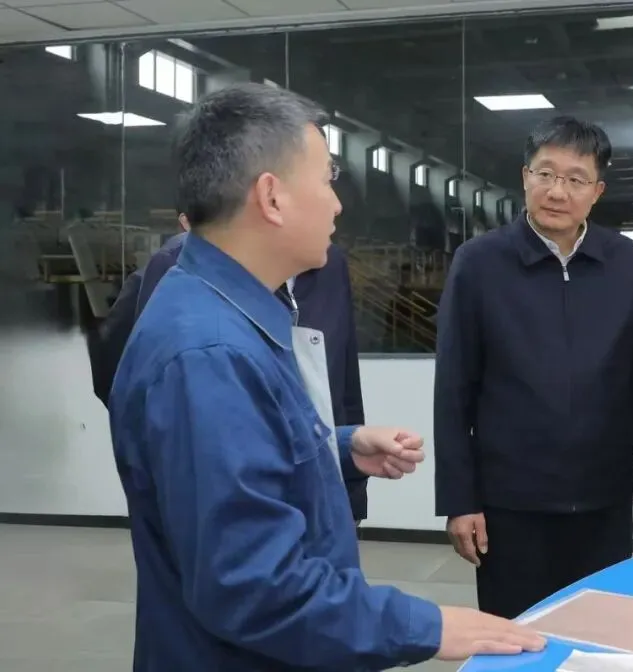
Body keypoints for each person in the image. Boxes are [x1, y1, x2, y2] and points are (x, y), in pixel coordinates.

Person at [108, 83, 543, 670]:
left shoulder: (225, 311)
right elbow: (253, 587)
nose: (338, 205)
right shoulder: (209, 354)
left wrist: (335, 446)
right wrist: (428, 625)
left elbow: (236, 455)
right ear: (272, 197)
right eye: (327, 179)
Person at [434, 116, 633, 619]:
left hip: (603, 496)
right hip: (509, 501)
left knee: (599, 628)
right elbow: (453, 390)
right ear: (525, 176)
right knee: (516, 634)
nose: (557, 191)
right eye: (545, 174)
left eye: (575, 179)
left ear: (597, 191)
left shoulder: (628, 264)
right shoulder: (479, 264)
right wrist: (460, 499)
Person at [89, 225, 372, 525]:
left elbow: (343, 383)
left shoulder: (328, 264)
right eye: (325, 190)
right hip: (232, 499)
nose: (337, 207)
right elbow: (127, 378)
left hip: (321, 488)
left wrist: (351, 490)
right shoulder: (178, 267)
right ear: (271, 201)